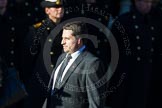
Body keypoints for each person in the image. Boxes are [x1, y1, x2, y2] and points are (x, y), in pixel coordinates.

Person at [109, 0, 162, 108]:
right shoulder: (123, 21)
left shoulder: (157, 21)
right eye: (145, 1)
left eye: (150, 2)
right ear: (137, 2)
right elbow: (114, 51)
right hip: (129, 75)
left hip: (151, 75)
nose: (148, 5)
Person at [46, 21, 107, 108]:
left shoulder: (92, 64)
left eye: (67, 39)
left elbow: (96, 104)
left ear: (79, 40)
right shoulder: (62, 57)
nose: (62, 42)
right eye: (62, 38)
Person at [22, 0, 65, 108]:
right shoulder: (37, 30)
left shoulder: (66, 28)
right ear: (47, 10)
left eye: (61, 7)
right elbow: (27, 59)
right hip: (41, 81)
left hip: (61, 80)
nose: (60, 9)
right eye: (56, 7)